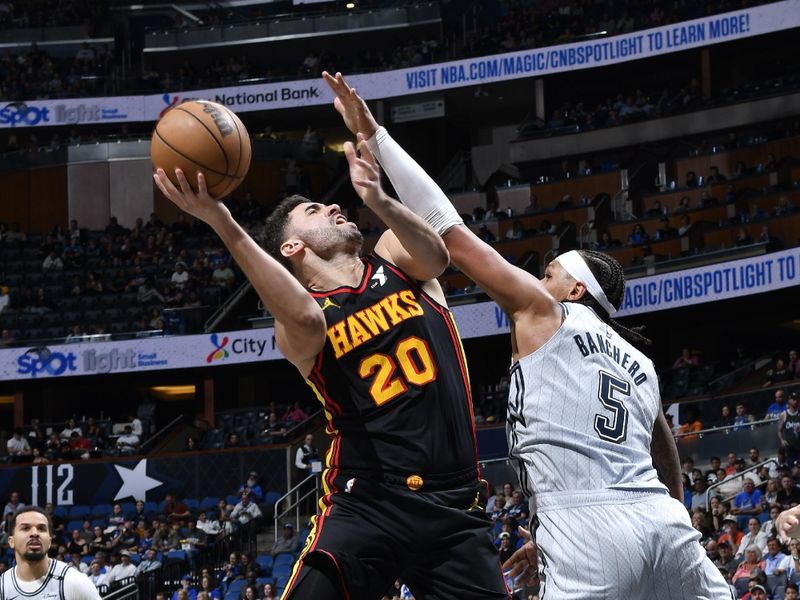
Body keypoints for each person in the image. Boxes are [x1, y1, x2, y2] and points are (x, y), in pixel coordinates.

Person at [325, 71, 731, 599]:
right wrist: (669, 518)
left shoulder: (546, 312)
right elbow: (663, 448)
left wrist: (377, 137)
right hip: (665, 523)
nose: (538, 280)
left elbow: (447, 227)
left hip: (587, 527)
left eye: (550, 273)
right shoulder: (639, 360)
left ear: (577, 291)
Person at [153, 73, 508, 600]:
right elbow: (303, 320)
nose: (334, 207)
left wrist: (380, 198)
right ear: (292, 249)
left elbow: (438, 256)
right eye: (314, 212)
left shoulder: (393, 255)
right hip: (369, 501)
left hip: (455, 504)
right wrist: (222, 221)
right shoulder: (303, 320)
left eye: (331, 204)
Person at [1, 506, 101, 598]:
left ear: (49, 541)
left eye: (41, 528)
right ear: (11, 541)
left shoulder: (75, 582)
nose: (35, 533)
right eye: (25, 528)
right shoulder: (2, 586)